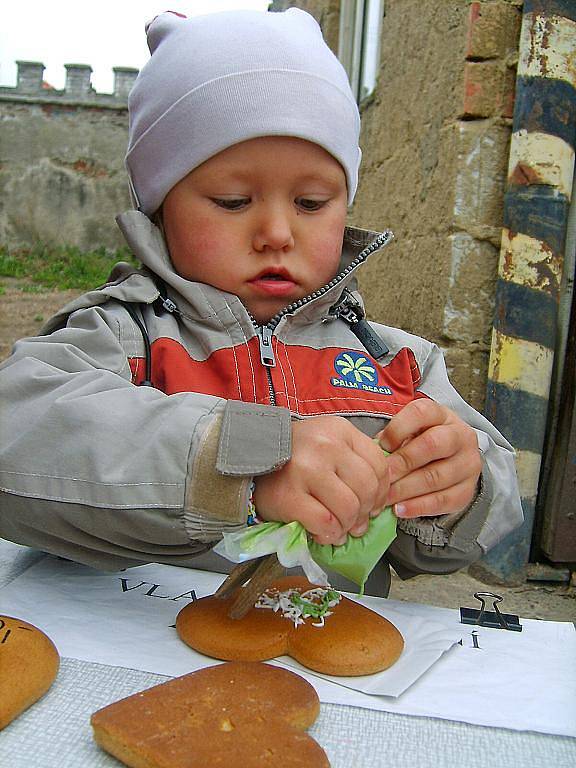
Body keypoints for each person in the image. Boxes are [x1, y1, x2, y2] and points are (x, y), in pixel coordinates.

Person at [0, 8, 522, 596]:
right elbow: (16, 430)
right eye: (231, 200)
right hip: (136, 656)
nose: (277, 231)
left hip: (318, 671)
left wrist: (459, 488)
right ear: (159, 207)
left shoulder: (397, 365)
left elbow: (488, 520)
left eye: (311, 202)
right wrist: (243, 461)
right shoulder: (125, 336)